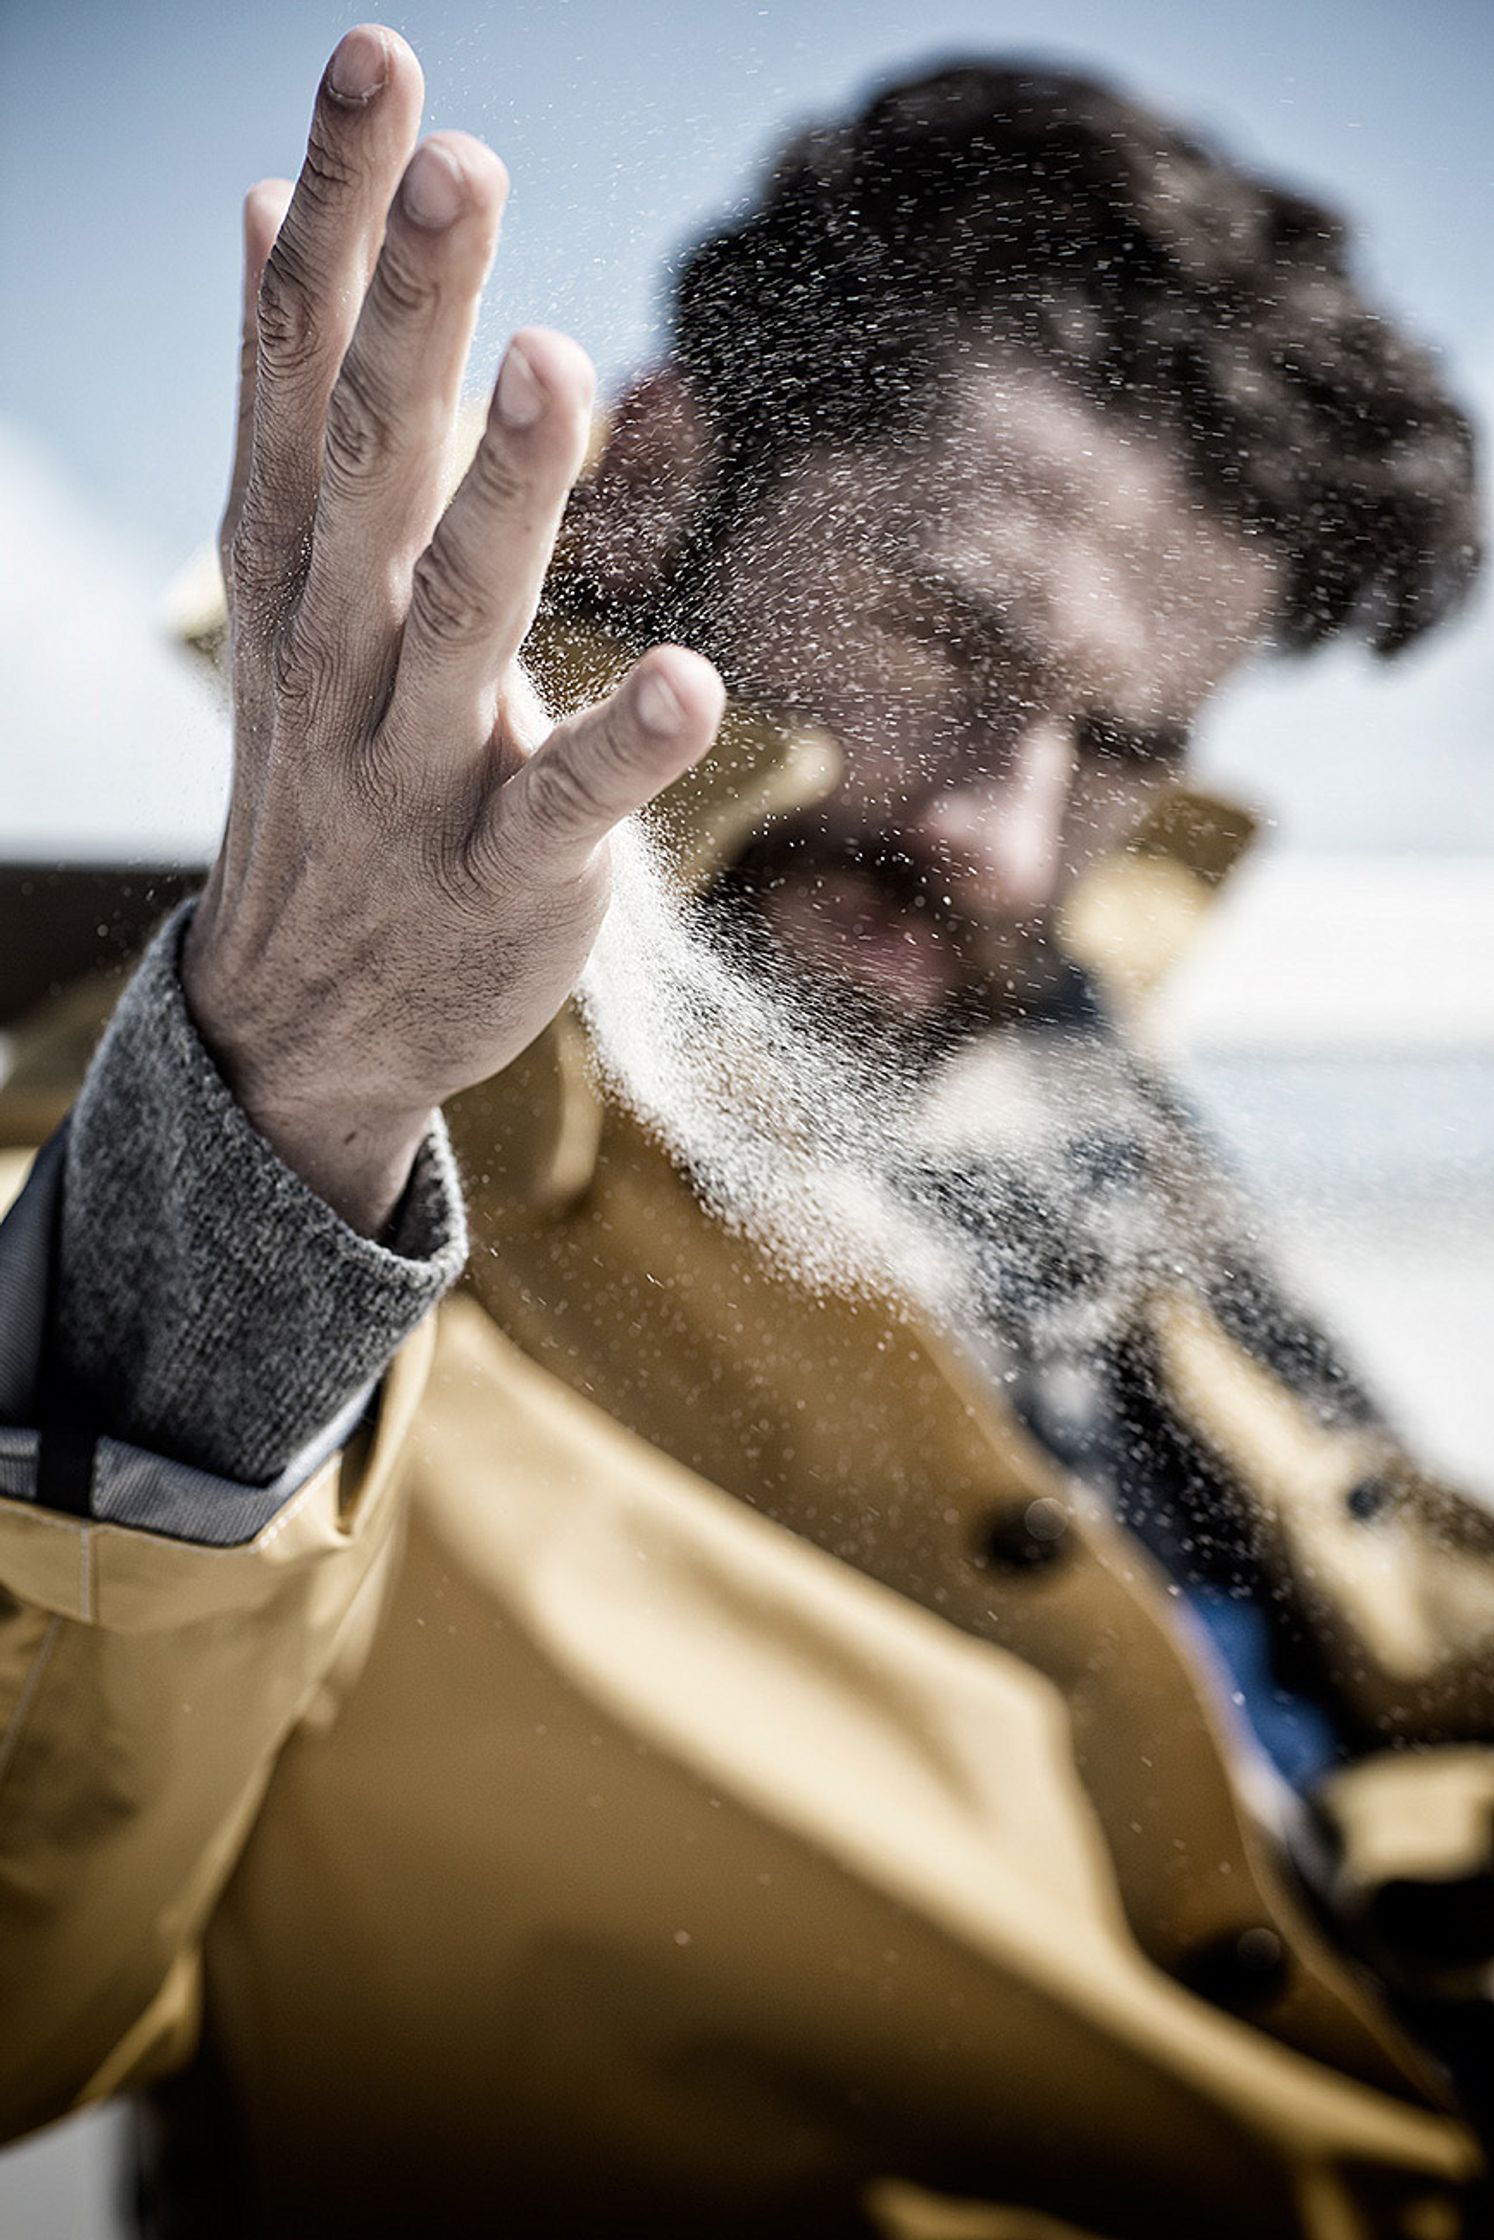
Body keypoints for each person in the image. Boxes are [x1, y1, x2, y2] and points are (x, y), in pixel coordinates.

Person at [1, 24, 1491, 2237]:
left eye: (1123, 746)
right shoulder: (201, 1123)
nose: (1008, 834)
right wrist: (284, 1100)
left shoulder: (1029, 1064)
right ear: (643, 476)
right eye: (949, 643)